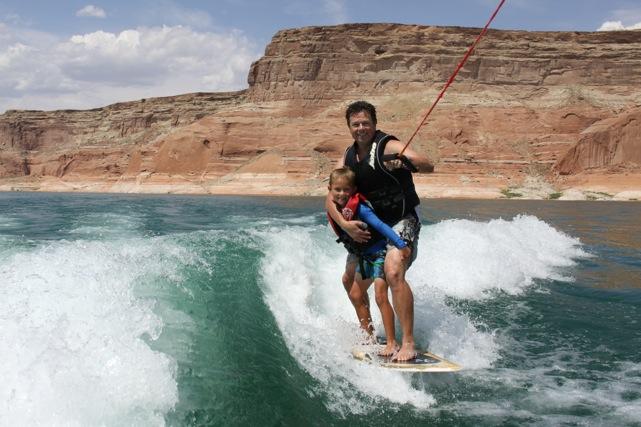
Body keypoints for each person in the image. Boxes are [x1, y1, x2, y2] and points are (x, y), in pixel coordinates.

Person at [326, 100, 434, 361]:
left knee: (394, 269)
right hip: (370, 228)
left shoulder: (387, 145)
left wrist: (407, 163)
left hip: (401, 219)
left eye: (366, 123)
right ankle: (369, 336)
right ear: (349, 128)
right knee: (350, 284)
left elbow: (428, 164)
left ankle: (407, 342)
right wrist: (345, 226)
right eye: (356, 124)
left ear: (374, 124)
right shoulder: (348, 157)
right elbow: (330, 197)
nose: (361, 128)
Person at [327, 167, 411, 357]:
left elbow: (381, 226)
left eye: (346, 190)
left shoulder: (361, 208)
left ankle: (392, 343)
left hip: (379, 254)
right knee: (356, 294)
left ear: (353, 189)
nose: (341, 194)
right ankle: (369, 336)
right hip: (365, 256)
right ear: (330, 189)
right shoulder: (337, 209)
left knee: (381, 296)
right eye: (337, 190)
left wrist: (401, 245)